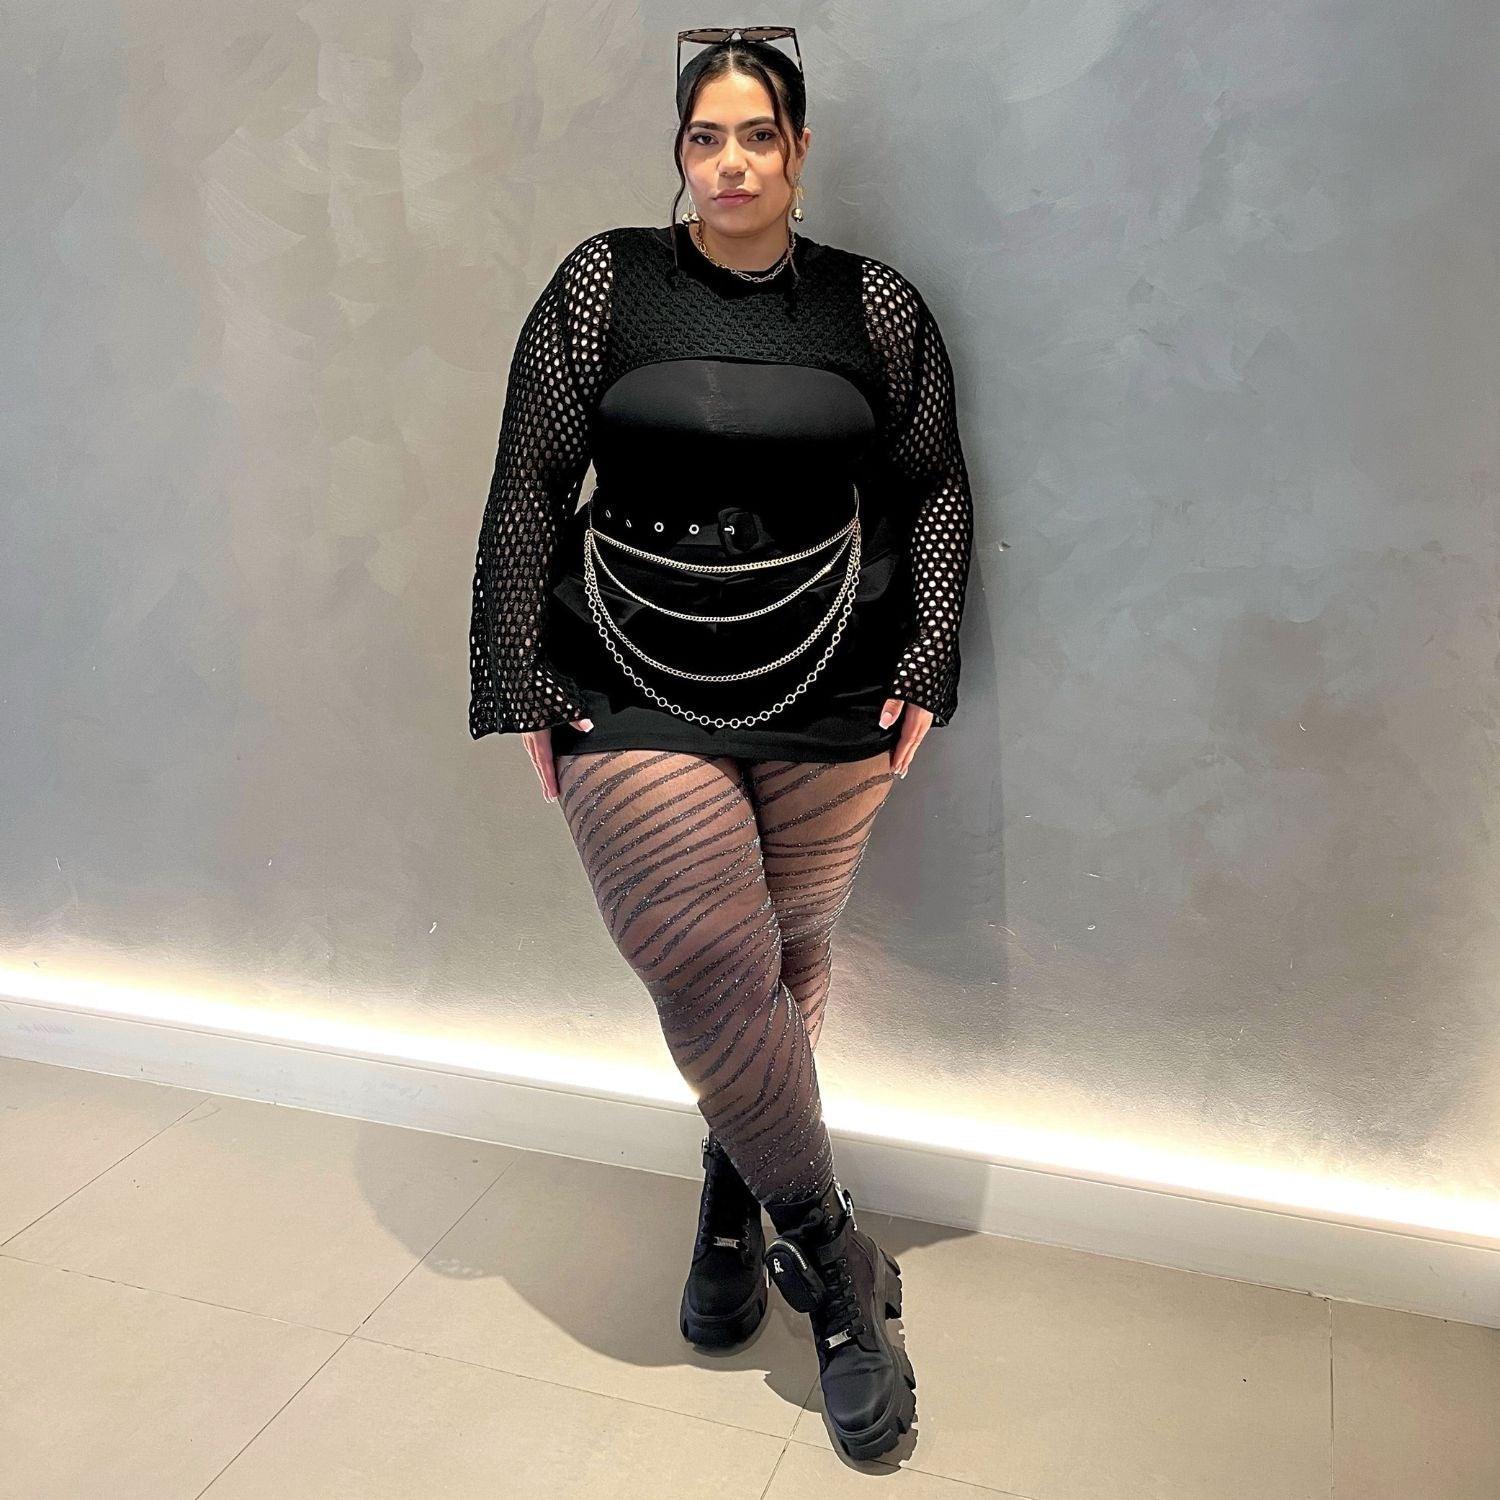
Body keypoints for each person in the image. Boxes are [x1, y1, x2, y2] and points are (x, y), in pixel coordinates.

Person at [467, 26, 974, 1461]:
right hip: (627, 664)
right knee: (698, 958)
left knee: (782, 961)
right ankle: (834, 1262)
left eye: (760, 136)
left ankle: (731, 1182)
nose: (733, 163)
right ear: (679, 152)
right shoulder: (603, 283)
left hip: (830, 672)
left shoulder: (874, 306)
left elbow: (932, 484)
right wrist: (516, 666)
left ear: (800, 150)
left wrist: (929, 654)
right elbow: (529, 477)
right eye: (707, 137)